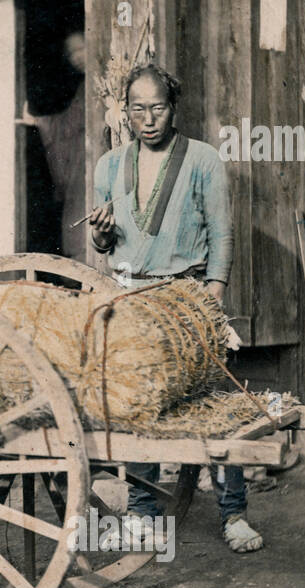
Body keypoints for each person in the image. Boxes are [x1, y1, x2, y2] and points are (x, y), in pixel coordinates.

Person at [89, 63, 262, 553]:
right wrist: (101, 232)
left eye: (158, 107)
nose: (148, 119)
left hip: (188, 298)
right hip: (131, 299)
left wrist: (215, 292)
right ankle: (143, 513)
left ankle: (233, 515)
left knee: (214, 404)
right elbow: (104, 245)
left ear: (174, 108)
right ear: (126, 111)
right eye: (138, 108)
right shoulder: (109, 166)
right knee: (140, 405)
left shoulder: (204, 160)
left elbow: (221, 231)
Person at [22, 31, 88, 259]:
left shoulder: (94, 83)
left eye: (81, 48)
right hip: (82, 164)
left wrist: (41, 122)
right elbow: (69, 125)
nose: (77, 56)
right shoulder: (83, 86)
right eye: (71, 53)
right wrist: (39, 121)